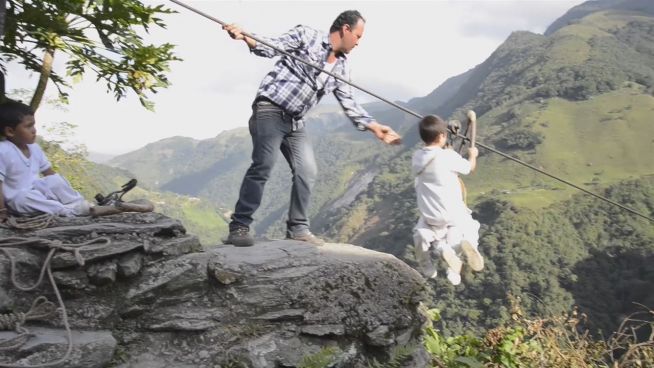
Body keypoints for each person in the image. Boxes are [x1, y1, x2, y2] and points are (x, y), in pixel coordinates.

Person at [222, 10, 401, 247]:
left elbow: (349, 102)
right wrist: (245, 36)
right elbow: (271, 46)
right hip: (270, 110)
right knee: (264, 164)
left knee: (307, 171)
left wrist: (374, 127)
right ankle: (239, 226)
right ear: (345, 29)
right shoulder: (307, 36)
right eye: (358, 36)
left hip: (295, 121)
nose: (358, 42)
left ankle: (297, 229)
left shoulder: (342, 67)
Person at [412, 115, 483, 285]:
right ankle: (463, 251)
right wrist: (473, 154)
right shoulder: (448, 157)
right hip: (453, 214)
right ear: (442, 136)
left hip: (430, 216)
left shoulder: (416, 157)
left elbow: (437, 156)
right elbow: (469, 168)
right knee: (467, 228)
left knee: (422, 235)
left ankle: (428, 264)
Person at [0, 101, 90, 223]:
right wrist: (2, 211)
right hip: (19, 200)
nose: (34, 130)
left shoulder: (34, 148)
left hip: (37, 192)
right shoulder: (3, 150)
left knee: (55, 179)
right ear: (10, 131)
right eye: (28, 126)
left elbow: (49, 173)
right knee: (25, 198)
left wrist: (58, 186)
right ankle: (67, 211)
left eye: (33, 125)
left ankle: (78, 203)